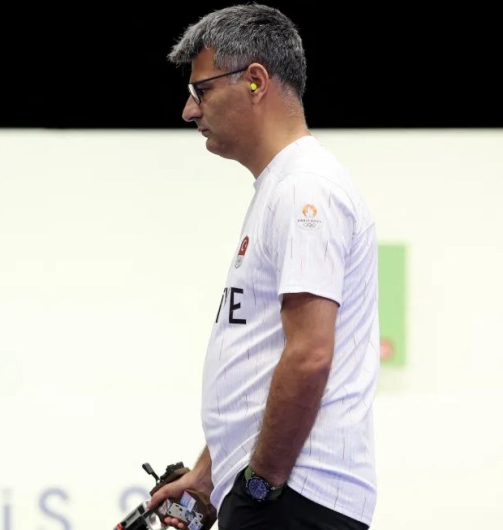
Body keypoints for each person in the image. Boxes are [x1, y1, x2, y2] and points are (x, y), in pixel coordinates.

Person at [145, 4, 379, 529]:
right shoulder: (283, 187)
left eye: (201, 90)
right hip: (282, 495)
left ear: (255, 81)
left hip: (292, 495)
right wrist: (210, 474)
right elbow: (264, 360)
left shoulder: (304, 188)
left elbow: (310, 355)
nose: (188, 110)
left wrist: (259, 482)